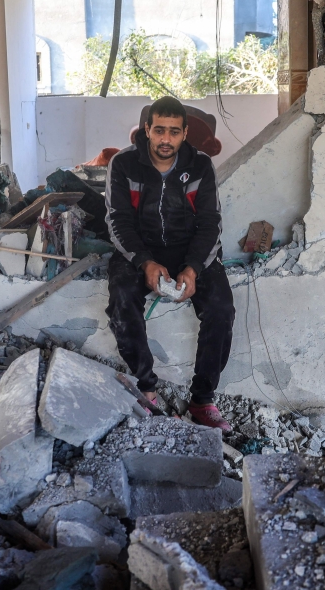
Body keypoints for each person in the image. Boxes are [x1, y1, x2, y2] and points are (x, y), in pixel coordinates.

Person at [104, 96, 235, 432]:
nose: (166, 139)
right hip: (139, 249)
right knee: (121, 300)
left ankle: (203, 400)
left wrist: (192, 268)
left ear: (184, 133)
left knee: (221, 308)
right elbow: (118, 221)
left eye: (173, 132)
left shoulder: (201, 165)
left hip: (189, 249)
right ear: (146, 129)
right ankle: (146, 388)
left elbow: (210, 223)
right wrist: (145, 262)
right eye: (159, 130)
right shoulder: (123, 164)